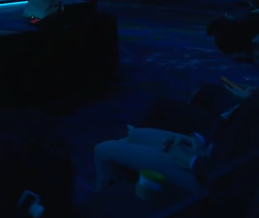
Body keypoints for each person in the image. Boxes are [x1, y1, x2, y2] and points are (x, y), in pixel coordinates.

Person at [94, 79, 259, 193]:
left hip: (205, 176)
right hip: (208, 151)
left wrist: (191, 160)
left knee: (103, 150)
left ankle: (97, 205)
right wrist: (198, 141)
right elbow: (228, 126)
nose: (254, 42)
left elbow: (235, 173)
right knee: (135, 136)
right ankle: (122, 193)